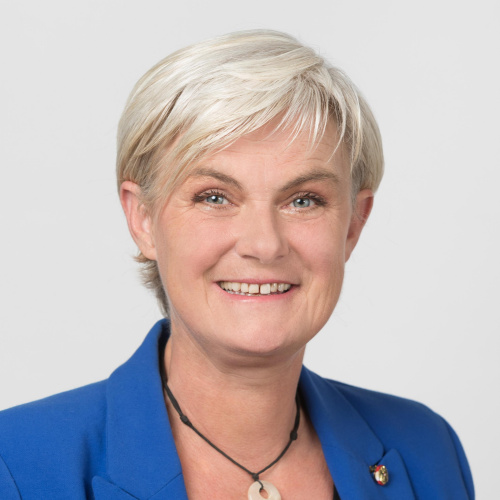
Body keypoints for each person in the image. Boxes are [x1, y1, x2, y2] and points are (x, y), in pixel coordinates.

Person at [0, 30, 473, 500]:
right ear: (142, 219)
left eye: (304, 200)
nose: (264, 244)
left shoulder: (427, 450)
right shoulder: (17, 465)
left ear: (353, 224)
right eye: (214, 197)